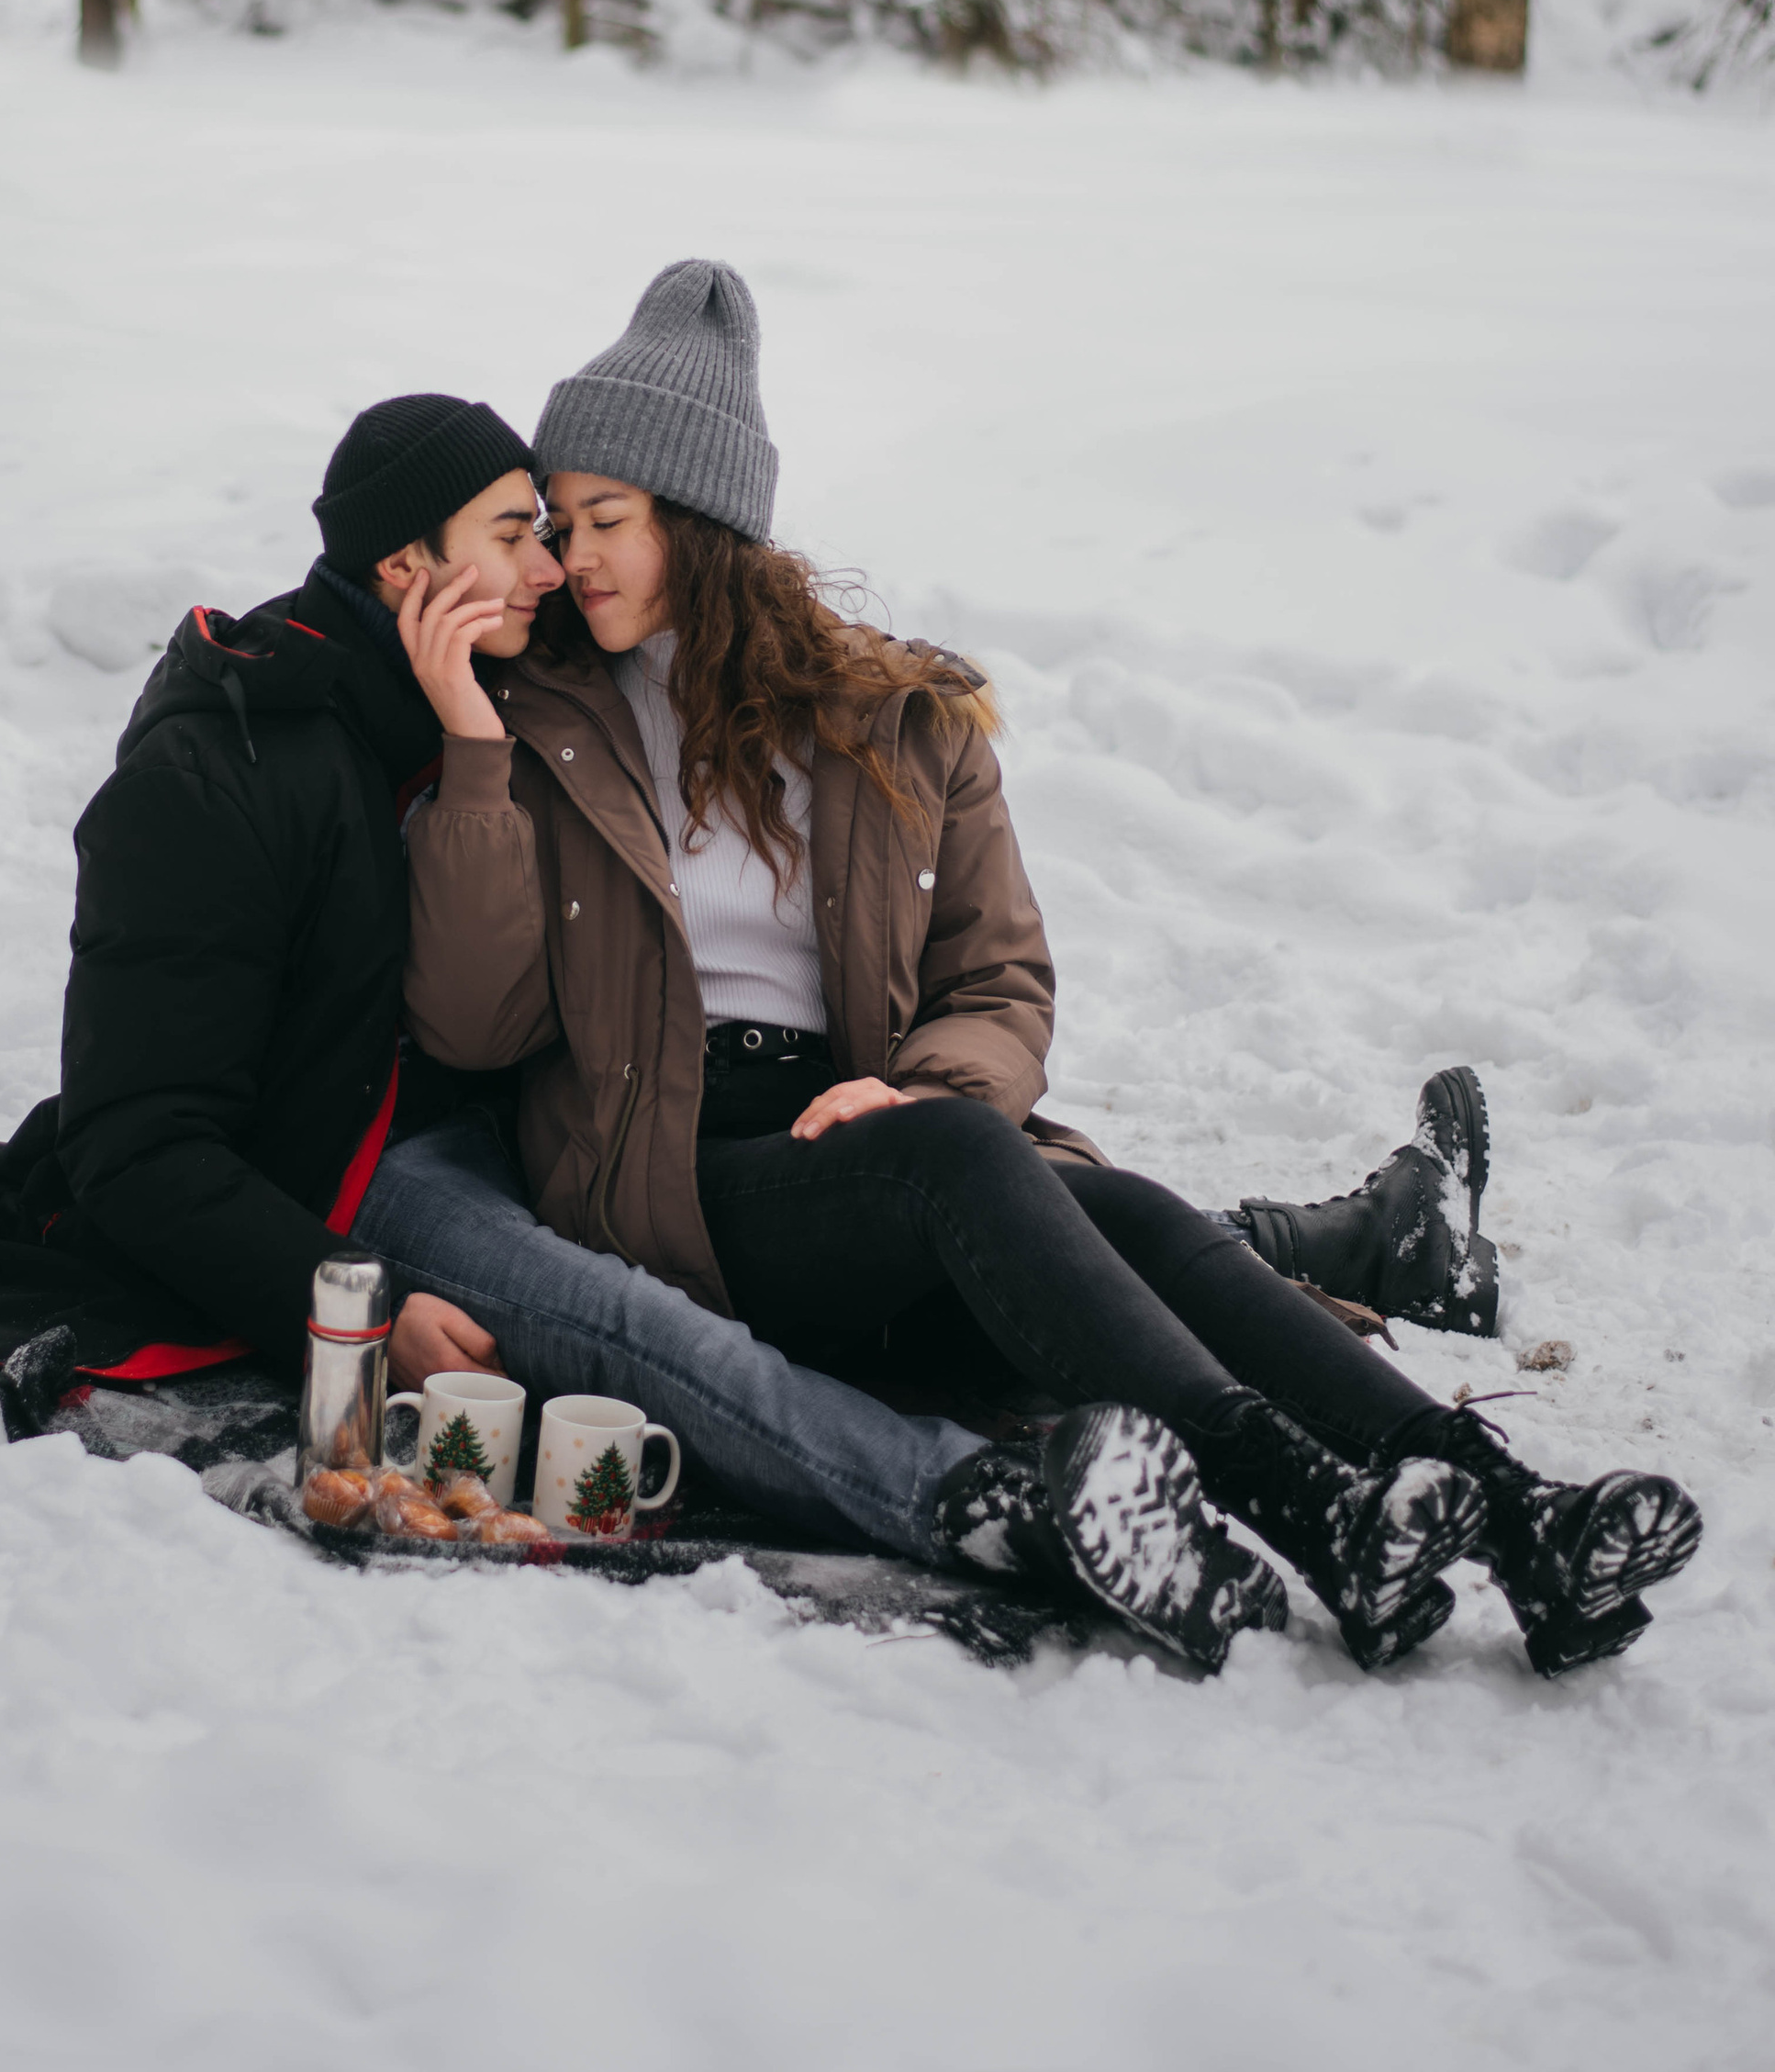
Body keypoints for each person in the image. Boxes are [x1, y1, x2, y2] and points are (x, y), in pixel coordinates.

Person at [397, 260, 1703, 1679]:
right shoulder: (535, 722)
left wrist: (912, 1088)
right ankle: (1315, 1510)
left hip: (879, 1148)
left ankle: (1519, 1520)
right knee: (963, 1157)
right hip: (667, 1182)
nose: (567, 558)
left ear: (703, 522)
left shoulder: (894, 724)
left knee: (1127, 1209)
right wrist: (471, 753)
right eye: (559, 521)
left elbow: (1001, 984)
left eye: (607, 521)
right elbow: (472, 1025)